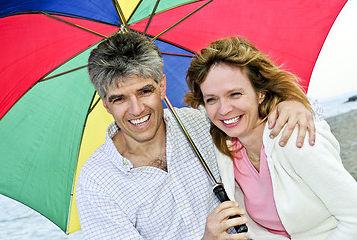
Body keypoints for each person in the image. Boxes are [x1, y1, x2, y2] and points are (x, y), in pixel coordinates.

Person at [76, 32, 317, 240]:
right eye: (119, 98)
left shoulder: (202, 122)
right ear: (105, 104)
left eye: (145, 91)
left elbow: (249, 108)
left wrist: (290, 103)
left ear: (162, 86)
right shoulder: (97, 183)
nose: (136, 109)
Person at [185, 36, 357, 239]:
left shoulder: (292, 138)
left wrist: (295, 102)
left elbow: (353, 217)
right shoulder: (227, 152)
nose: (224, 109)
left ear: (260, 93)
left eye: (235, 94)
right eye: (211, 99)